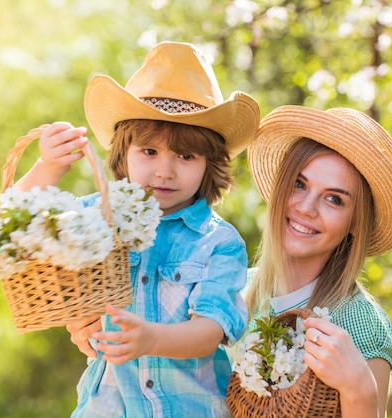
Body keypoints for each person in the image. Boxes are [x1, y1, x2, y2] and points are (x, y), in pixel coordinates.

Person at [14, 41, 260, 417]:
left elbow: (210, 331)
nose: (165, 170)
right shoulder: (98, 216)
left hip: (192, 407)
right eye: (149, 151)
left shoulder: (218, 243)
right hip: (108, 405)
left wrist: (151, 338)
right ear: (123, 153)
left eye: (186, 156)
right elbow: (20, 222)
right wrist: (47, 167)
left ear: (209, 164)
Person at [243, 105, 392, 417]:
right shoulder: (232, 287)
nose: (306, 207)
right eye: (299, 183)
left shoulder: (360, 323)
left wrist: (358, 389)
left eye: (334, 199)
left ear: (355, 223)